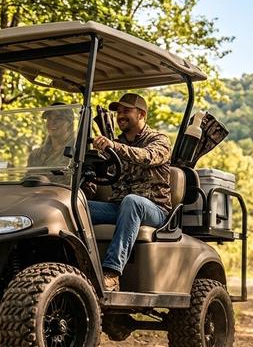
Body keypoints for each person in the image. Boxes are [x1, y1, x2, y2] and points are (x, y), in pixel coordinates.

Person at [88, 93, 172, 292]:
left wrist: (114, 147)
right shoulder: (115, 143)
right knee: (77, 205)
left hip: (155, 210)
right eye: (118, 112)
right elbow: (105, 173)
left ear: (141, 114)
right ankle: (77, 267)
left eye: (126, 111)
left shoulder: (159, 140)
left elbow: (147, 157)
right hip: (120, 207)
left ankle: (112, 272)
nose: (120, 116)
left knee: (132, 201)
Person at [27, 103, 75, 167]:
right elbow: (28, 176)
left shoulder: (78, 152)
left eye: (58, 118)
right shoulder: (36, 155)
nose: (52, 122)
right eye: (49, 118)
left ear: (69, 123)